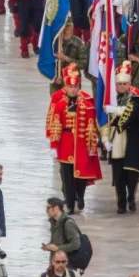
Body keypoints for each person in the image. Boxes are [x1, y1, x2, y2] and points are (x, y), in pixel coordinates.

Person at [46, 64, 102, 212]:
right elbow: (55, 124)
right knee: (67, 176)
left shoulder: (87, 103)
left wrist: (93, 141)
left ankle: (81, 196)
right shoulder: (59, 104)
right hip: (65, 142)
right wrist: (53, 144)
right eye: (70, 87)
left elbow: (91, 124)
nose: (73, 89)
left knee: (81, 173)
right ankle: (70, 203)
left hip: (82, 142)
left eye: (76, 86)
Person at [102, 62, 139, 213]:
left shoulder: (137, 98)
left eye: (125, 83)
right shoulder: (110, 99)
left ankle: (131, 197)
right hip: (116, 140)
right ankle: (121, 203)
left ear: (130, 83)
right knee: (118, 176)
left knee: (132, 173)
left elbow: (132, 113)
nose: (122, 86)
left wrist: (116, 110)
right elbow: (105, 122)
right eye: (119, 84)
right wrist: (105, 139)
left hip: (133, 141)